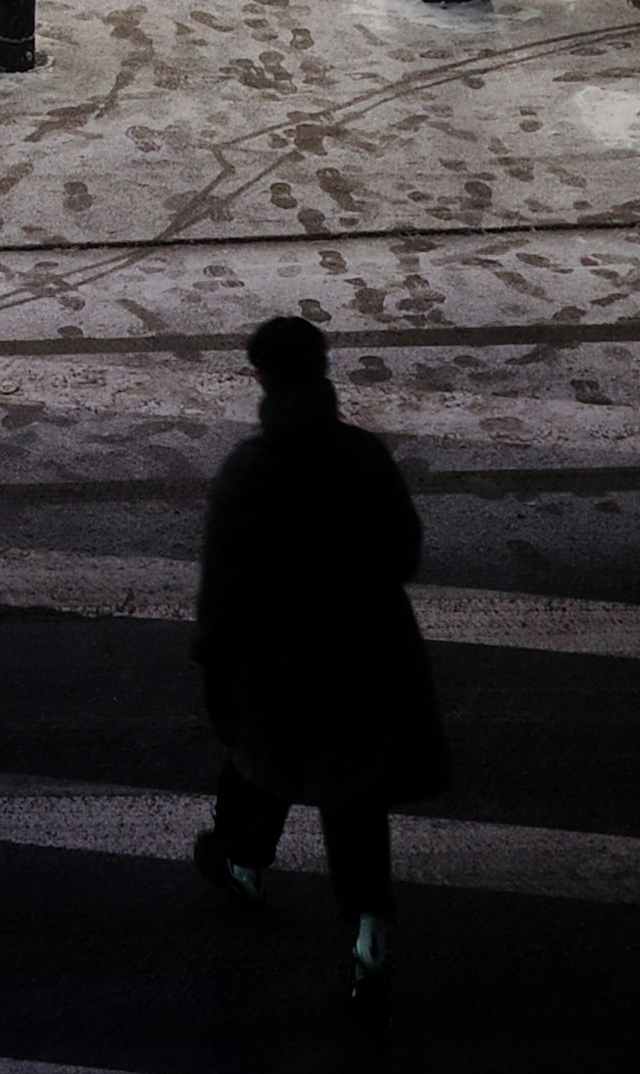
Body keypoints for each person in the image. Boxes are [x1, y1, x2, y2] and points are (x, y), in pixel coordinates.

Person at [190, 315, 447, 1013]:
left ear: (263, 377)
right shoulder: (362, 456)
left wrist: (215, 656)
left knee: (259, 760)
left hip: (279, 655)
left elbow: (221, 584)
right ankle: (370, 932)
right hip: (364, 651)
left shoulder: (250, 469)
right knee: (353, 792)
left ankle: (242, 861)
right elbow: (404, 551)